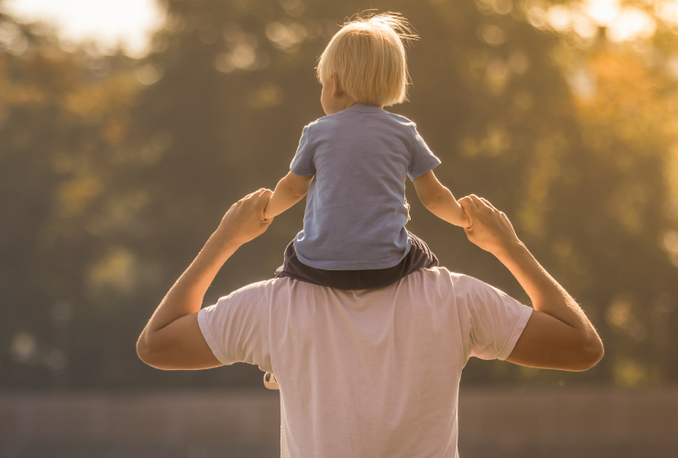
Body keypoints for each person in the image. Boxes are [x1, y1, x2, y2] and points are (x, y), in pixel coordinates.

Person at [135, 189, 604, 457]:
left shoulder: (273, 306)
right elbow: (581, 347)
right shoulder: (455, 297)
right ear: (402, 214)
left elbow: (156, 345)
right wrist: (508, 247)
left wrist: (224, 239)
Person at [263, 12, 467, 291]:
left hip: (319, 267)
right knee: (423, 253)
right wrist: (463, 217)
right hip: (387, 267)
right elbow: (434, 197)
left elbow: (293, 190)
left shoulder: (317, 132)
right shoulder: (405, 131)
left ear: (334, 84)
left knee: (291, 255)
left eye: (322, 84)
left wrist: (265, 210)